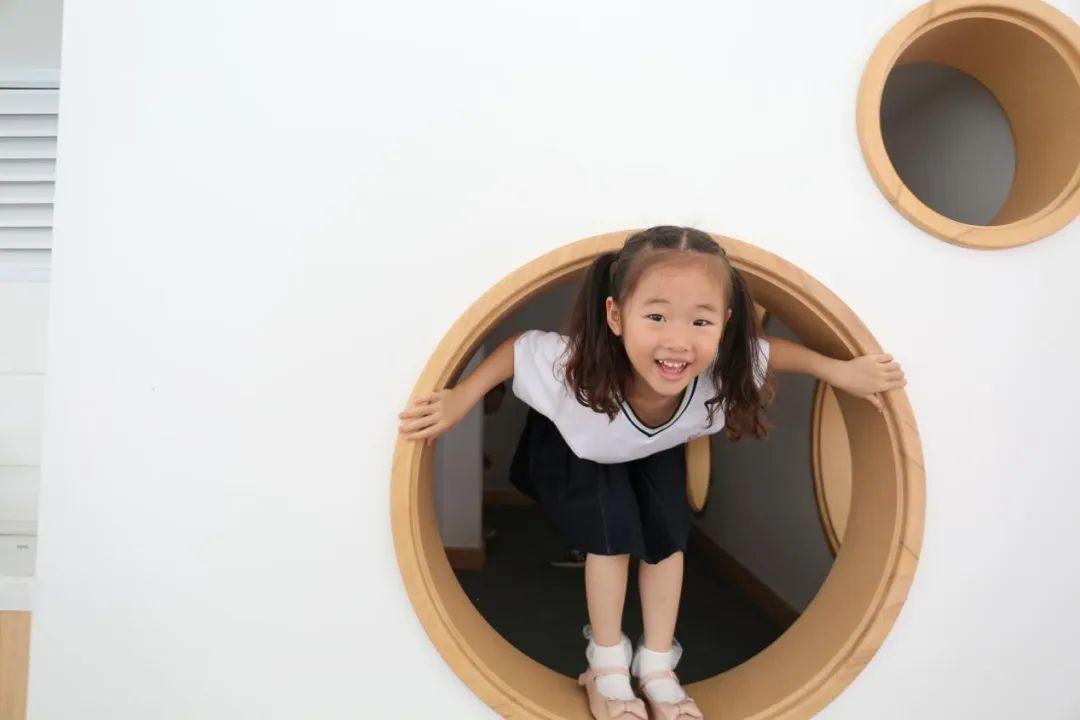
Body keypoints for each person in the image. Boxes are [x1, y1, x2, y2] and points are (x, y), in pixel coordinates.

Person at [397, 226, 905, 720]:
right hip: (580, 442)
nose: (678, 341)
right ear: (616, 316)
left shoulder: (720, 367)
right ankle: (607, 668)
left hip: (654, 445)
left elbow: (772, 353)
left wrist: (839, 371)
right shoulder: (573, 367)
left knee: (667, 539)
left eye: (701, 322)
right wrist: (461, 399)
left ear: (725, 323)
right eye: (657, 316)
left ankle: (658, 668)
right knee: (612, 537)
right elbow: (519, 348)